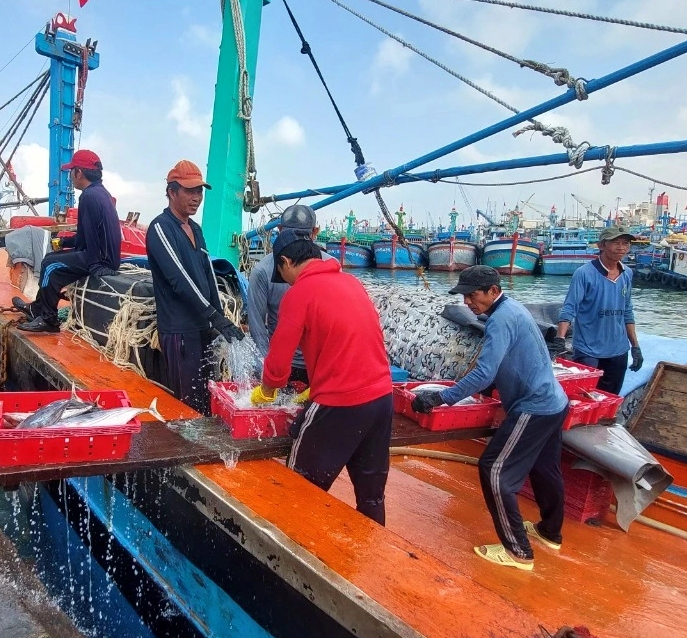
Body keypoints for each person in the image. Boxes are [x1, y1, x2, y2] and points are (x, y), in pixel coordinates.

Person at [413, 266, 567, 571]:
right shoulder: (513, 309)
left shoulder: (500, 319)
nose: (467, 302)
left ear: (493, 291)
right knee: (544, 469)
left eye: (472, 295)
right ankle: (550, 532)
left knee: (494, 469)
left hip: (534, 407)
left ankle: (518, 551)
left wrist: (440, 397)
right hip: (555, 401)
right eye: (464, 296)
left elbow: (484, 374)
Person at [250, 229, 393, 524]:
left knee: (298, 487)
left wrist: (267, 390)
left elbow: (278, 360)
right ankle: (374, 546)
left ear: (286, 262)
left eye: (282, 274)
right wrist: (315, 384)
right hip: (381, 398)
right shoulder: (351, 282)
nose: (285, 282)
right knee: (372, 496)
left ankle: (291, 545)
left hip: (339, 404)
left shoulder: (299, 293)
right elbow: (351, 342)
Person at [146, 160, 244, 415]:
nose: (197, 197)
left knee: (207, 398)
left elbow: (208, 273)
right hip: (179, 330)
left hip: (203, 327)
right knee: (187, 404)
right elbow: (179, 279)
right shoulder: (160, 228)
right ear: (172, 192)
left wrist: (219, 319)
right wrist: (214, 316)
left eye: (199, 191)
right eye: (189, 191)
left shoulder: (196, 229)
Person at [12, 149, 121, 333]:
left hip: (100, 260)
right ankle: (37, 309)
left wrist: (95, 267)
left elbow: (89, 243)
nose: (70, 176)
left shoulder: (89, 196)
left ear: (79, 172)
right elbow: (87, 237)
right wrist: (64, 243)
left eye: (71, 171)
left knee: (50, 265)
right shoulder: (101, 193)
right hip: (104, 256)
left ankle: (48, 319)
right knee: (51, 259)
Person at [246, 204, 332, 384]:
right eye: (290, 235)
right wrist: (268, 371)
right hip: (282, 364)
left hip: (319, 365)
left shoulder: (331, 267)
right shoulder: (262, 272)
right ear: (279, 230)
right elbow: (257, 328)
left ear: (314, 233)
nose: (296, 242)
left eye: (302, 236)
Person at [552, 225, 642, 394]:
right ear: (601, 245)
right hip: (588, 349)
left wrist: (635, 346)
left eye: (625, 243)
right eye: (615, 242)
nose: (621, 247)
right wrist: (560, 339)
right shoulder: (584, 273)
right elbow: (570, 307)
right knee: (584, 396)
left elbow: (627, 311)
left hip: (618, 349)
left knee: (610, 397)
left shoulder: (627, 273)